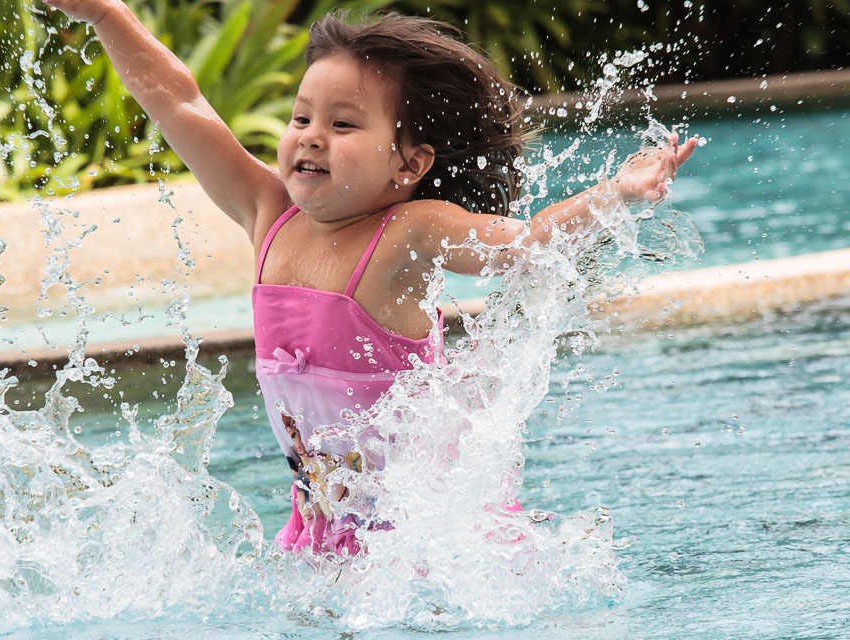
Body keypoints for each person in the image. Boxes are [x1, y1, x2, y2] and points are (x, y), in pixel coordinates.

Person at [42, 1, 697, 555]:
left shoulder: (407, 234)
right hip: (318, 534)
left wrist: (617, 192)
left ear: (409, 163)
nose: (311, 137)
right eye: (301, 118)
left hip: (427, 543)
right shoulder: (267, 212)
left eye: (343, 124)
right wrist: (106, 14)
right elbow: (178, 102)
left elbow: (521, 247)